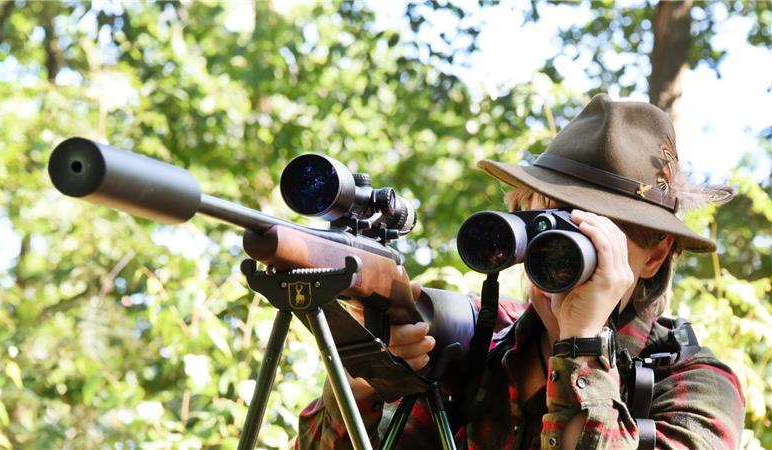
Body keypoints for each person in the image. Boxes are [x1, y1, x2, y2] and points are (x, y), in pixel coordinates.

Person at [296, 94, 745, 449]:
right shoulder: (474, 354)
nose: (557, 249)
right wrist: (359, 384)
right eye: (546, 221)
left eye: (590, 227)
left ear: (654, 253)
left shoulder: (698, 387)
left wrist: (582, 344)